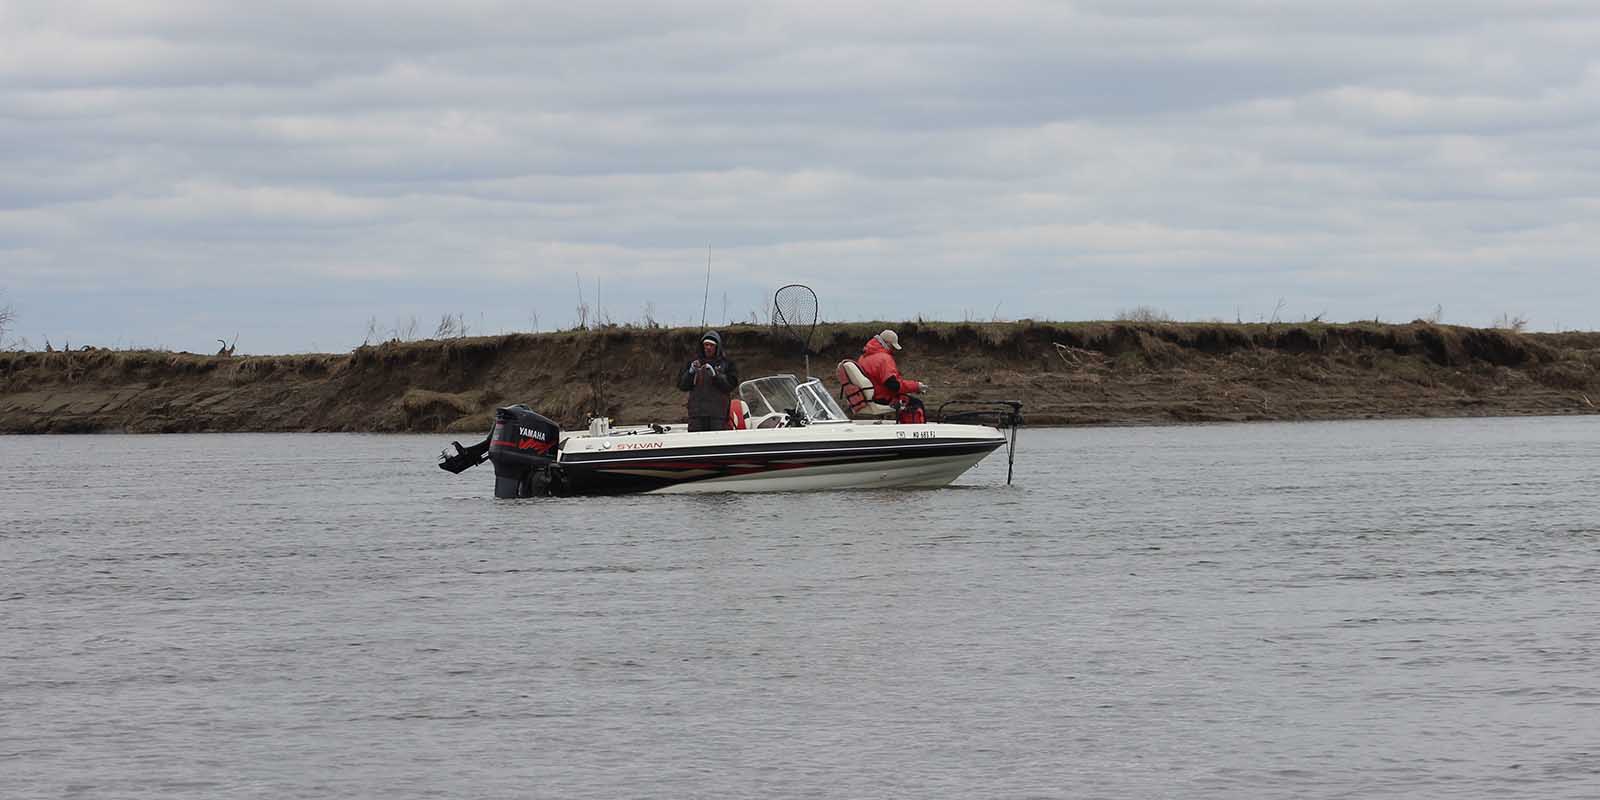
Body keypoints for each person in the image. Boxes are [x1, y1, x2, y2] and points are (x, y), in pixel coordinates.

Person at [858, 329, 929, 423]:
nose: (893, 350)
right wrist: (916, 386)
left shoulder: (863, 357)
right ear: (886, 343)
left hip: (871, 396)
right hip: (882, 397)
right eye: (892, 346)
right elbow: (893, 385)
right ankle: (914, 431)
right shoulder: (884, 359)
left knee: (905, 398)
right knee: (916, 403)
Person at [677, 330, 740, 432]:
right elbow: (682, 385)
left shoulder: (727, 363)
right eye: (706, 345)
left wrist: (716, 375)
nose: (708, 348)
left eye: (711, 345)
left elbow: (730, 385)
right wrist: (691, 372)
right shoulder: (692, 362)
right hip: (696, 415)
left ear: (717, 347)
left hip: (718, 415)